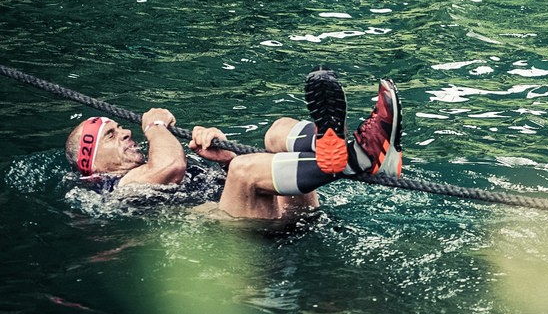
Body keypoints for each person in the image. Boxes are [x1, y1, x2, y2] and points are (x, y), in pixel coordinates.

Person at [62, 69, 402, 220]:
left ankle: (350, 153)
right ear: (92, 162)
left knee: (276, 132)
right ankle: (355, 159)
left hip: (285, 213)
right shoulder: (110, 188)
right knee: (244, 170)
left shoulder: (146, 169)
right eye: (111, 135)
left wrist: (223, 158)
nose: (125, 133)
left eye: (120, 128)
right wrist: (155, 124)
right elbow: (171, 166)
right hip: (245, 235)